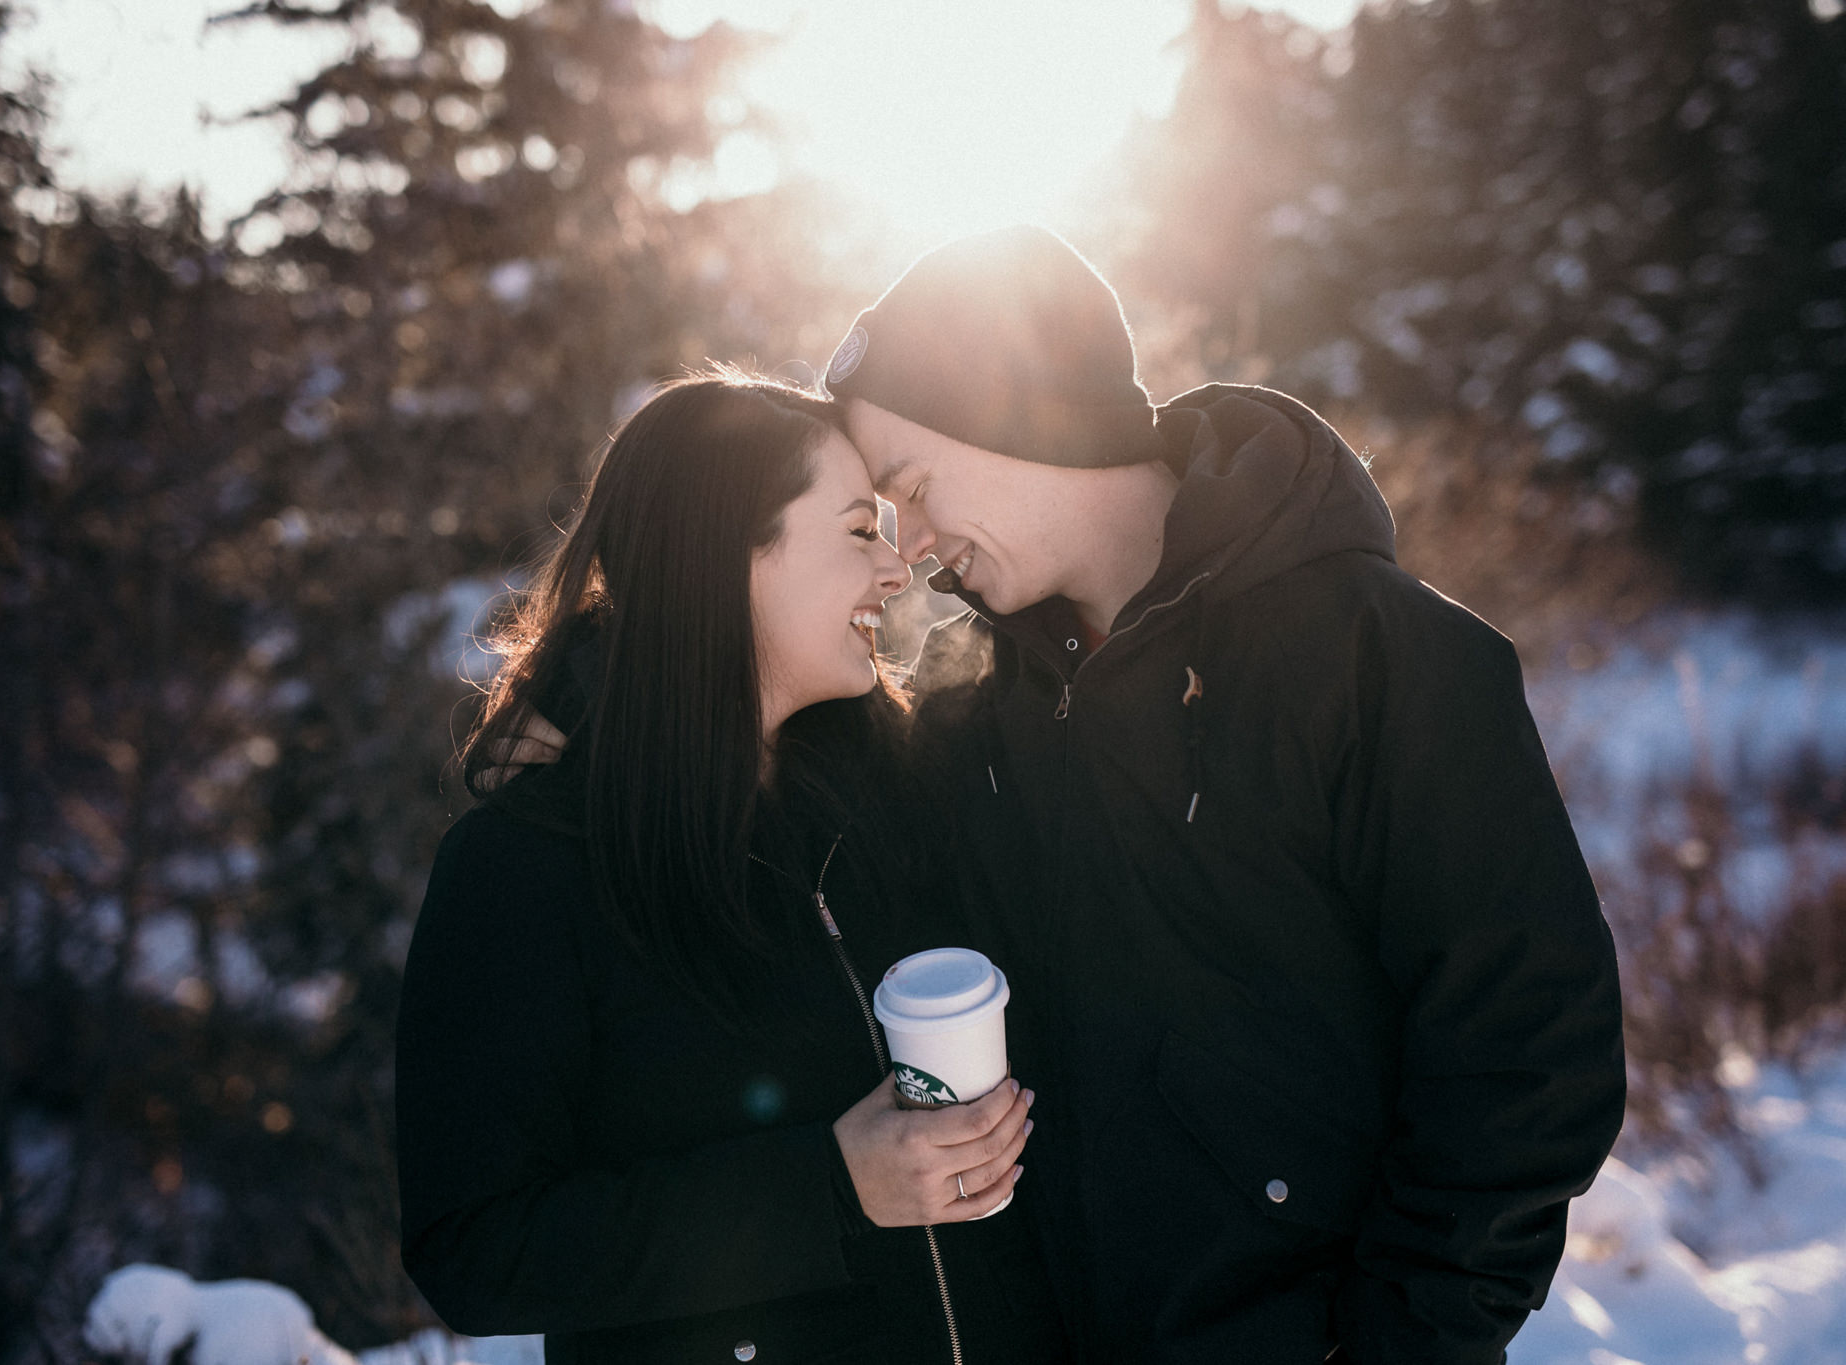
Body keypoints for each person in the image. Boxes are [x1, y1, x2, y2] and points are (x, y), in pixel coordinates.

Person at [818, 225, 1628, 1364]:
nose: (911, 545)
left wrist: (1401, 1344)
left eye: (910, 486)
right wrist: (592, 699)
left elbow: (1528, 1047)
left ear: (1020, 416)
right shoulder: (975, 706)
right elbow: (763, 793)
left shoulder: (1376, 656)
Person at [395, 373, 1069, 1364]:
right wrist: (829, 1191)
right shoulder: (526, 869)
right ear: (723, 558)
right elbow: (475, 1250)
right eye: (854, 531)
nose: (895, 570)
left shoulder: (894, 796)